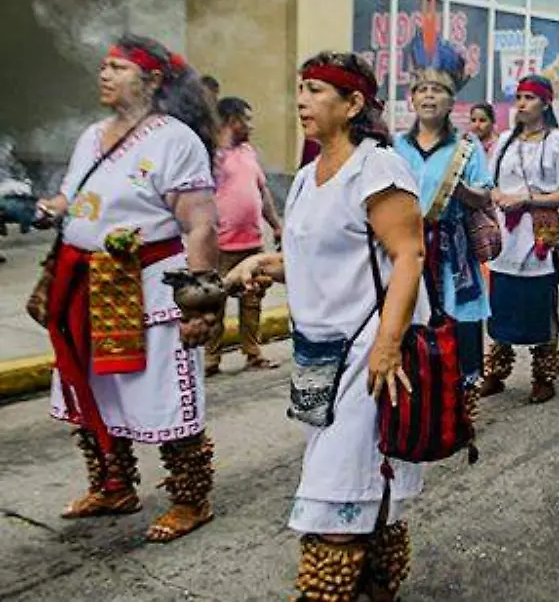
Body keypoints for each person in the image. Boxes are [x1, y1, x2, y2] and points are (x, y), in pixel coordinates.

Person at [225, 51, 425, 599]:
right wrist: (262, 264)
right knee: (359, 476)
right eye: (301, 89)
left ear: (354, 103)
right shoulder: (310, 177)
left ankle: (332, 587)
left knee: (335, 486)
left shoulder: (376, 166)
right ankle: (377, 583)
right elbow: (322, 260)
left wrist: (388, 347)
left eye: (316, 90)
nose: (302, 100)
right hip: (318, 355)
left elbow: (409, 256)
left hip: (367, 354)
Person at [33, 34, 223, 542]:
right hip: (87, 288)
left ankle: (190, 499)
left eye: (118, 67)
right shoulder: (92, 135)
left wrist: (201, 304)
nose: (105, 74)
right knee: (93, 389)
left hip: (152, 292)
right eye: (104, 66)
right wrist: (54, 207)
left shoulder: (173, 138)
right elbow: (77, 199)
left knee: (162, 397)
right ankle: (112, 485)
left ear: (153, 80)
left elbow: (201, 225)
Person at [393, 2, 493, 390]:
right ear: (412, 99)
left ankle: (461, 398)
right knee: (409, 316)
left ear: (452, 102)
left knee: (459, 316)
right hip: (405, 247)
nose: (429, 97)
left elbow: (484, 196)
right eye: (422, 90)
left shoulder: (468, 147)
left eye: (438, 91)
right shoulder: (394, 147)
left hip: (453, 249)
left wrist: (460, 190)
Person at [479, 75, 559, 403]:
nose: (521, 104)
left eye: (529, 98)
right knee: (501, 306)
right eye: (518, 97)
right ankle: (496, 371)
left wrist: (527, 199)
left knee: (539, 306)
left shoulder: (558, 141)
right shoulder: (506, 139)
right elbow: (489, 185)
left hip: (539, 237)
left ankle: (544, 375)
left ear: (546, 103)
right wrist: (499, 196)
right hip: (505, 240)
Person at [205, 96, 283, 377]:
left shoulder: (249, 152)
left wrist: (275, 225)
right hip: (221, 246)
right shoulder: (212, 155)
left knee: (252, 302)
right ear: (231, 121)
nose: (251, 125)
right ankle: (210, 359)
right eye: (246, 119)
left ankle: (253, 353)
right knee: (215, 301)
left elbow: (261, 193)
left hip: (251, 243)